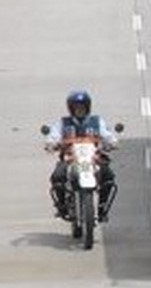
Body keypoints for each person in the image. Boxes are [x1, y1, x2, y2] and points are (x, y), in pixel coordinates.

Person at [44, 90, 118, 222]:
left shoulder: (97, 121)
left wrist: (112, 142)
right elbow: (53, 135)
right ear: (71, 109)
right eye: (76, 107)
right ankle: (62, 207)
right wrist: (51, 144)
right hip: (70, 159)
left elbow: (107, 135)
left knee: (108, 176)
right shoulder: (63, 123)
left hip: (93, 158)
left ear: (87, 107)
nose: (80, 110)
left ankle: (101, 208)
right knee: (57, 176)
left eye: (82, 107)